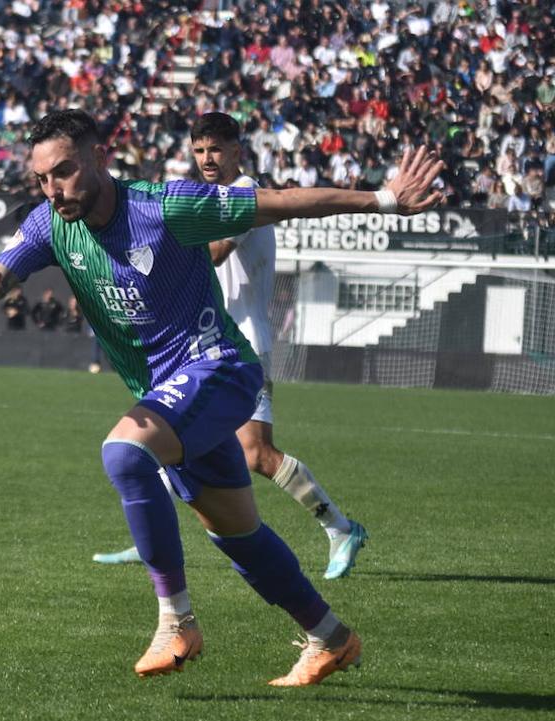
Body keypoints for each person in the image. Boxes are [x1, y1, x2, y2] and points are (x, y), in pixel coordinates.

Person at [0, 109, 442, 686]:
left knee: (124, 452)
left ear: (97, 159)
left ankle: (175, 620)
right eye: (41, 178)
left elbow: (282, 202)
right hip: (167, 395)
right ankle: (331, 638)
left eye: (62, 172)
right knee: (238, 535)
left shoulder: (166, 206)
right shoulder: (47, 225)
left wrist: (383, 200)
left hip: (218, 368)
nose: (52, 188)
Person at [93, 113, 369, 580]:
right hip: (200, 345)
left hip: (243, 345)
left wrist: (150, 241)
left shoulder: (243, 195)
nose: (207, 159)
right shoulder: (203, 196)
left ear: (238, 150)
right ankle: (154, 539)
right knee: (167, 442)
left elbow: (215, 250)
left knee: (256, 453)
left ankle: (341, 528)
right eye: (199, 150)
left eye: (216, 149)